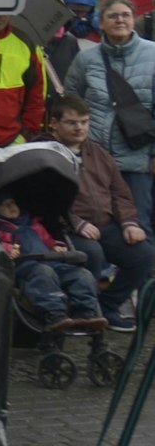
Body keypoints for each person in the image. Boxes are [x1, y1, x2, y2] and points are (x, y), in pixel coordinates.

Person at [50, 94, 155, 332]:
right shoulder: (44, 153)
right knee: (91, 253)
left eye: (84, 122)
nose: (80, 128)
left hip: (105, 225)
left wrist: (129, 223)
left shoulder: (98, 153)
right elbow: (43, 199)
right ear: (54, 123)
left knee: (144, 255)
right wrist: (75, 223)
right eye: (72, 122)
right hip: (63, 228)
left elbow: (120, 192)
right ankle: (81, 313)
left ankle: (105, 308)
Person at [68, 0, 155, 225]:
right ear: (101, 23)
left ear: (133, 20)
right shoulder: (86, 58)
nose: (120, 20)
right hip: (95, 157)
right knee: (99, 221)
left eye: (125, 15)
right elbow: (72, 99)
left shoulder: (152, 55)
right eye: (113, 16)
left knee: (138, 222)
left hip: (138, 156)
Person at [0, 194, 107, 332]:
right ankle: (55, 314)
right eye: (5, 206)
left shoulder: (33, 224)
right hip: (26, 266)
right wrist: (8, 249)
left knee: (81, 274)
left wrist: (56, 245)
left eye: (13, 203)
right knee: (44, 274)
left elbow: (48, 239)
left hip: (52, 261)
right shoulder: (0, 229)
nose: (11, 208)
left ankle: (85, 312)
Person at [0, 12, 47, 147]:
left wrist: (26, 134)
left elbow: (36, 96)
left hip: (11, 142)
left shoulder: (26, 43)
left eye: (6, 10)